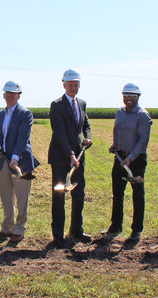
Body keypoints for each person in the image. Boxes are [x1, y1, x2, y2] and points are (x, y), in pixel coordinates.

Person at [48, 69, 93, 249]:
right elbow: (59, 133)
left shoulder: (81, 103)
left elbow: (86, 124)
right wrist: (70, 155)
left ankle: (76, 230)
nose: (73, 88)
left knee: (79, 194)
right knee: (59, 196)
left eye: (76, 85)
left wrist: (87, 137)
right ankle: (58, 236)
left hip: (78, 157)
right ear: (64, 85)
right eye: (70, 85)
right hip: (61, 157)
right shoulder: (57, 105)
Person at [0, 80, 40, 243]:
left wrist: (15, 158)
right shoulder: (1, 114)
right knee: (6, 196)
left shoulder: (25, 114)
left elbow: (22, 138)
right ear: (4, 95)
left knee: (21, 198)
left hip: (21, 162)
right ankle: (7, 227)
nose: (10, 96)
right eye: (7, 93)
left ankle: (19, 229)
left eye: (13, 93)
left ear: (19, 95)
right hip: (4, 160)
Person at [104, 83, 152, 245]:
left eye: (132, 96)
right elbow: (116, 130)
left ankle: (136, 230)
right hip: (120, 159)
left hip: (136, 160)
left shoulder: (143, 115)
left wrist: (130, 158)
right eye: (126, 96)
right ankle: (115, 226)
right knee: (117, 193)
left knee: (137, 194)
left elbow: (143, 141)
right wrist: (115, 144)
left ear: (138, 97)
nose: (128, 99)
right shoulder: (120, 112)